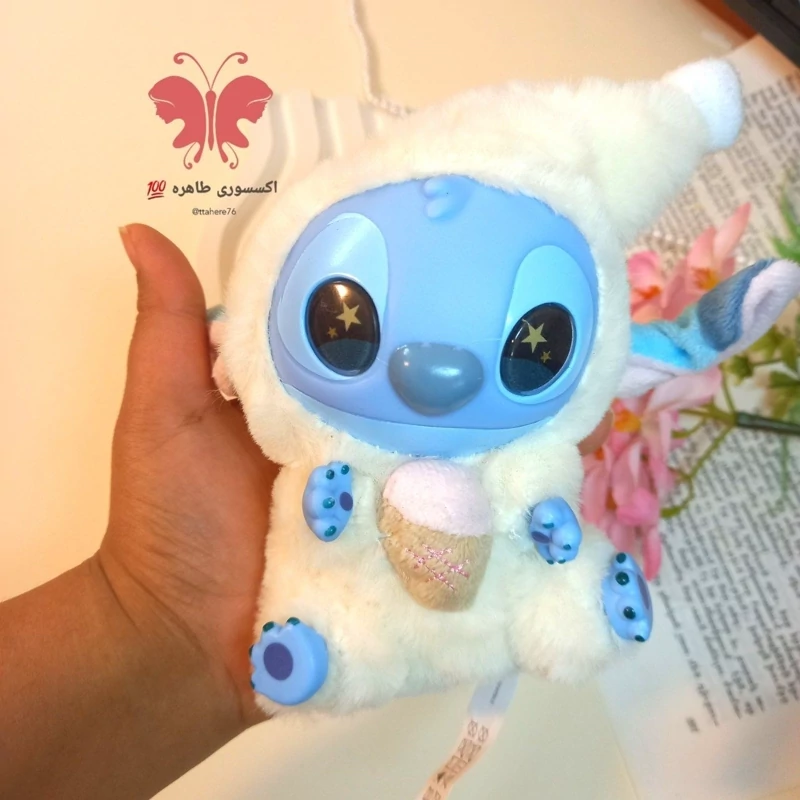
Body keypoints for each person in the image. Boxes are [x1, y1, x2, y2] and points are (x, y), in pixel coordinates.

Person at [0, 224, 613, 800]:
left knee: (528, 529)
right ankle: (313, 658)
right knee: (328, 564)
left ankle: (586, 609)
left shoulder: (514, 447)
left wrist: (543, 516)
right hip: (355, 520)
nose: (433, 369)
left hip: (478, 543)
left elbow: (533, 484)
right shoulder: (328, 441)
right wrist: (156, 614)